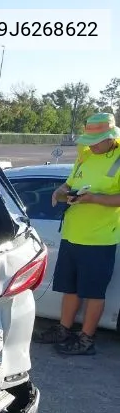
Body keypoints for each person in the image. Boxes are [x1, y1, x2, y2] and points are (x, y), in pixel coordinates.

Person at [33, 112, 120, 355]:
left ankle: (86, 339)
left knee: (93, 292)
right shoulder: (86, 157)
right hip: (72, 236)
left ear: (111, 136)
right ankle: (64, 329)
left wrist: (94, 199)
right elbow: (70, 183)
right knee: (69, 288)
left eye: (97, 139)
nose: (92, 144)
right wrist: (61, 191)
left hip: (100, 239)